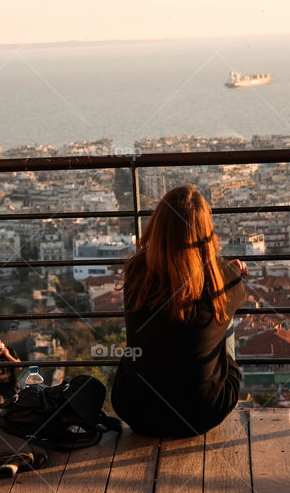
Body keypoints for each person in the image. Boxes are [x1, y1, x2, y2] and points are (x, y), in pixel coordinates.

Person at [110, 184, 248, 438]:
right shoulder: (223, 279)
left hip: (134, 408)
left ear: (158, 226)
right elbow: (236, 294)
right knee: (225, 316)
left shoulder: (136, 273)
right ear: (206, 232)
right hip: (201, 412)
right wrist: (231, 270)